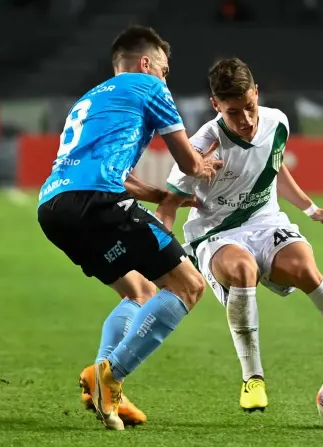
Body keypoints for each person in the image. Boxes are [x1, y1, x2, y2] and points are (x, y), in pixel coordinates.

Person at [154, 57, 323, 412]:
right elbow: (168, 205)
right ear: (216, 105)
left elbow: (276, 168)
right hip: (217, 232)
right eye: (233, 112)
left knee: (306, 270)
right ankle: (253, 378)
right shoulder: (200, 144)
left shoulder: (276, 122)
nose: (246, 120)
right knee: (242, 271)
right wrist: (162, 243)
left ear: (256, 93)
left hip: (266, 221)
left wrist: (312, 210)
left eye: (249, 107)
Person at [36, 25, 223, 431]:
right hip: (97, 203)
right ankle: (111, 376)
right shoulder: (149, 87)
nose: (165, 78)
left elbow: (113, 173)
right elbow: (189, 162)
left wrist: (162, 196)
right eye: (164, 69)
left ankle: (101, 386)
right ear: (145, 63)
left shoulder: (89, 99)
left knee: (139, 291)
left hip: (53, 207)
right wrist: (202, 166)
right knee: (188, 285)